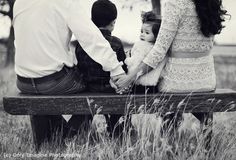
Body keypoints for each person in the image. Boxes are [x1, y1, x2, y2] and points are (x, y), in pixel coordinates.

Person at [113, 0, 229, 148]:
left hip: (176, 82)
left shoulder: (176, 5)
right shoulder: (211, 4)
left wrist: (130, 77)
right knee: (202, 109)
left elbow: (159, 51)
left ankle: (169, 142)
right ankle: (207, 145)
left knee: (166, 89)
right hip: (206, 79)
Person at [13, 0, 126, 149]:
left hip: (23, 81)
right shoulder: (66, 2)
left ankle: (52, 135)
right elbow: (91, 38)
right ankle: (71, 132)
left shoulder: (19, 2)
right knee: (88, 83)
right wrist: (117, 70)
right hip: (54, 82)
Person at [75, 0, 127, 137]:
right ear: (113, 23)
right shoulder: (116, 43)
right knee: (120, 102)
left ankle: (81, 130)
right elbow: (123, 70)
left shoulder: (81, 43)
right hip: (110, 90)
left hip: (88, 88)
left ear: (92, 21)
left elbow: (80, 66)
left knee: (85, 111)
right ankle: (117, 129)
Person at [124, 11, 166, 93]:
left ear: (157, 35)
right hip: (153, 84)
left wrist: (127, 58)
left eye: (147, 32)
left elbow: (134, 62)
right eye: (141, 31)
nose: (142, 34)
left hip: (139, 83)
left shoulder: (142, 46)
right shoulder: (158, 50)